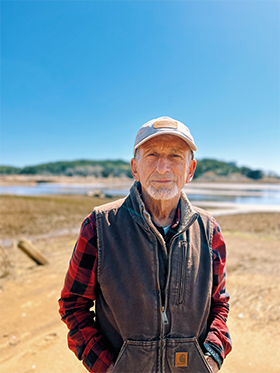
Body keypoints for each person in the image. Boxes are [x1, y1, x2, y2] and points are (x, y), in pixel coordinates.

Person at [59, 116, 232, 373]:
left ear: (190, 169)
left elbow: (219, 304)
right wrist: (108, 368)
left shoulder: (208, 230)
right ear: (135, 168)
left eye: (175, 156)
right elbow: (73, 305)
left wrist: (211, 359)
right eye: (151, 155)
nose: (162, 167)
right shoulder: (99, 226)